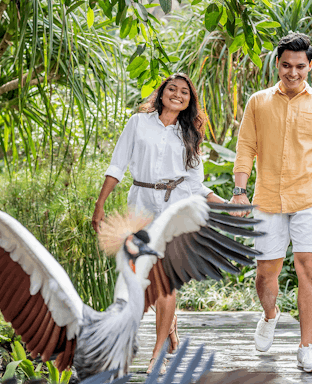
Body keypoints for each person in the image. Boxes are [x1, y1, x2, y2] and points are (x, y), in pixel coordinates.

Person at [230, 32, 312, 373]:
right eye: (286, 65)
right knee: (266, 273)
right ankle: (270, 315)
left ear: (310, 66)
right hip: (267, 198)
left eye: (299, 66)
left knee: (308, 268)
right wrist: (240, 192)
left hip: (311, 196)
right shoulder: (257, 102)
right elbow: (245, 149)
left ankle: (307, 348)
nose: (292, 72)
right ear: (277, 64)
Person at [92, 73, 226, 374]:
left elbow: (196, 184)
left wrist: (226, 207)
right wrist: (100, 203)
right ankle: (171, 329)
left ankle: (158, 354)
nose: (177, 95)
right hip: (140, 203)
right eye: (172, 89)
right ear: (162, 93)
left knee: (166, 281)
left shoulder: (189, 134)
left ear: (189, 100)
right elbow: (117, 164)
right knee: (142, 276)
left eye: (184, 92)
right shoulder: (138, 123)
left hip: (174, 206)